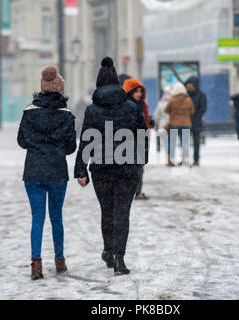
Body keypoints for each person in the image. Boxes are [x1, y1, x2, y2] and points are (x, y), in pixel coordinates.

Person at [74, 57, 149, 276]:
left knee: (107, 211)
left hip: (101, 167)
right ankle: (119, 258)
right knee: (122, 212)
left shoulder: (92, 110)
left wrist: (81, 169)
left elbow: (86, 140)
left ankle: (108, 250)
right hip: (127, 166)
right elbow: (142, 133)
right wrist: (142, 157)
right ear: (118, 83)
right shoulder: (131, 107)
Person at [17, 66, 77, 281]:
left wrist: (38, 145)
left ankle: (36, 264)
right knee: (56, 218)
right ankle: (59, 261)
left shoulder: (28, 112)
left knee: (37, 219)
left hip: (33, 172)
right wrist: (56, 147)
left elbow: (21, 142)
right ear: (60, 90)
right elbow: (71, 148)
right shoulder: (67, 116)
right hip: (57, 172)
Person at [123, 78, 153, 200]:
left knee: (140, 167)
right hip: (127, 139)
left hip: (141, 138)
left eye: (140, 91)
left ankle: (138, 191)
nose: (139, 94)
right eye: (136, 91)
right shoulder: (124, 105)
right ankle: (128, 190)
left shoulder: (143, 105)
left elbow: (145, 121)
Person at [165, 82, 195, 167]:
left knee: (173, 143)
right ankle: (186, 160)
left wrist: (175, 112)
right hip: (186, 124)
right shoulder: (188, 100)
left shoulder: (172, 100)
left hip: (174, 124)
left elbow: (167, 110)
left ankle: (171, 160)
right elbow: (192, 111)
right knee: (185, 143)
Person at [185, 76, 207, 167]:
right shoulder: (185, 95)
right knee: (185, 141)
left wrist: (195, 115)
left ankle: (196, 159)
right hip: (186, 121)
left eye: (190, 84)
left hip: (196, 122)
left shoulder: (201, 95)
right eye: (188, 84)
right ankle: (185, 159)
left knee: (196, 141)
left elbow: (203, 108)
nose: (188, 86)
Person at [154, 86, 172, 164]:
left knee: (166, 142)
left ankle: (168, 158)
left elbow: (156, 115)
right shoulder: (172, 102)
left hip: (163, 125)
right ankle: (172, 157)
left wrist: (157, 123)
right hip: (172, 124)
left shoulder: (160, 103)